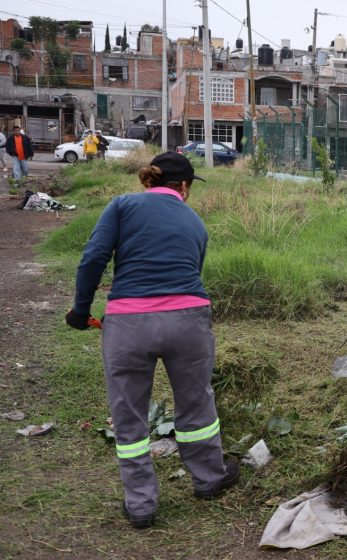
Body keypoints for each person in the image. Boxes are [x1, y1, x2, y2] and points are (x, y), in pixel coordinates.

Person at [64, 152, 239, 529]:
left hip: (129, 324)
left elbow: (93, 256)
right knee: (196, 403)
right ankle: (209, 479)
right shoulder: (196, 221)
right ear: (185, 187)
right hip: (189, 322)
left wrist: (81, 310)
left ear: (148, 180)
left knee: (128, 415)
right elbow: (192, 271)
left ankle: (141, 504)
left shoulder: (122, 205)